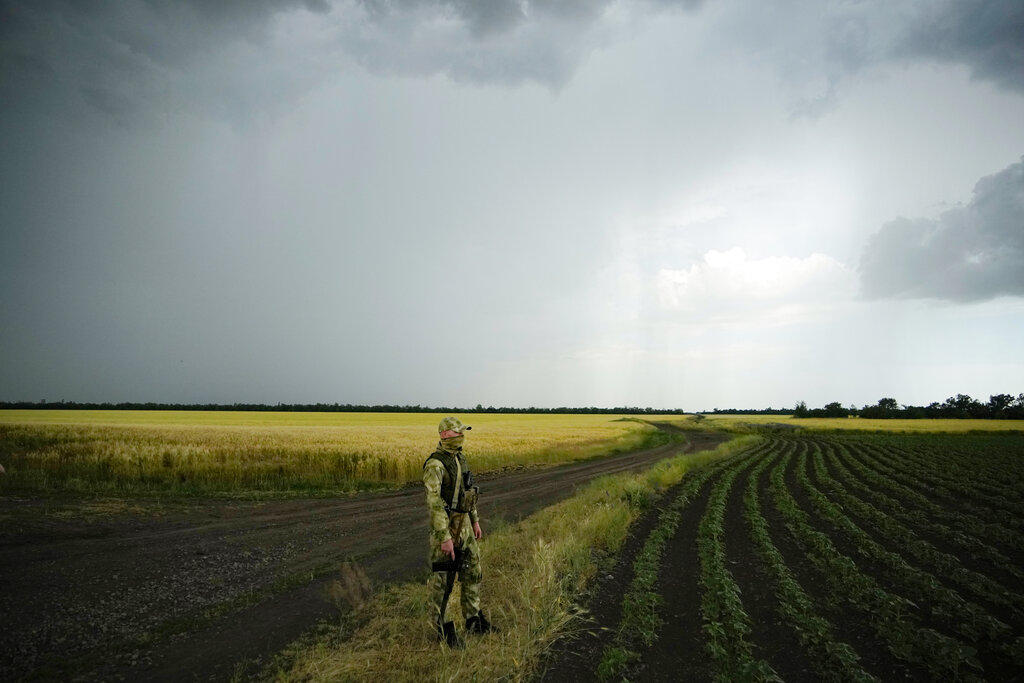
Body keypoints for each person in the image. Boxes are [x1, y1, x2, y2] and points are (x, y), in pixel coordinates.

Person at [423, 416, 496, 647]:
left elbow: (468, 493)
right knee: (443, 582)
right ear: (445, 435)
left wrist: (474, 521)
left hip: (465, 526)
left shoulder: (461, 459)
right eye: (458, 432)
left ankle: (473, 620)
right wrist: (444, 537)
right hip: (445, 530)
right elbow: (434, 502)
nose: (462, 436)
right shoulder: (435, 464)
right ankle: (442, 628)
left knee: (473, 571)